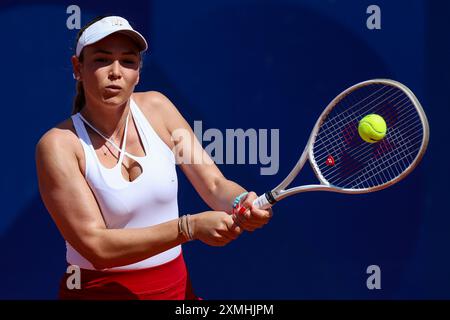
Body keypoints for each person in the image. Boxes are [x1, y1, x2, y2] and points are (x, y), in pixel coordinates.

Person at [35, 15, 272, 300]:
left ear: (139, 72)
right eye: (102, 60)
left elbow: (214, 185)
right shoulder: (58, 145)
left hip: (177, 291)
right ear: (78, 68)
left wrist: (240, 202)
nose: (115, 72)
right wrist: (189, 227)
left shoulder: (159, 109)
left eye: (128, 61)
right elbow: (96, 247)